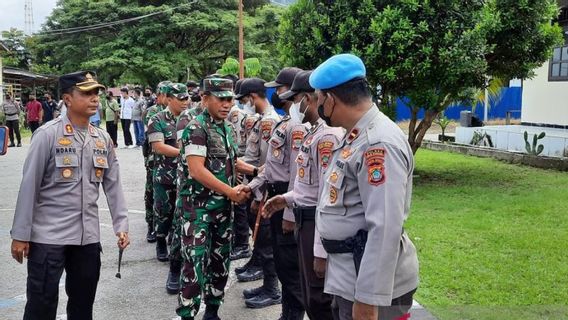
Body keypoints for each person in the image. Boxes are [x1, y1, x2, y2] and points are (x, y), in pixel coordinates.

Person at [9, 71, 130, 320]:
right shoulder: (47, 135)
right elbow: (29, 186)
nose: (95, 98)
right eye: (86, 93)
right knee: (40, 306)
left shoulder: (102, 138)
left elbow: (113, 185)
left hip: (87, 239)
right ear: (67, 99)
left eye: (96, 92)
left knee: (83, 306)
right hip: (48, 238)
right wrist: (21, 235)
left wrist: (121, 225)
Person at [310, 54, 419, 320]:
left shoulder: (377, 144)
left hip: (370, 288)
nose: (317, 105)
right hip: (349, 274)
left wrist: (368, 299)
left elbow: (384, 227)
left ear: (331, 100)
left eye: (318, 98)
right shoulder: (355, 135)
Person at [264, 70, 344, 319]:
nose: (292, 104)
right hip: (304, 217)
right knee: (310, 293)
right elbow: (306, 184)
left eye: (296, 98)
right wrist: (287, 200)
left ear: (309, 99)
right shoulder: (312, 133)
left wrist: (320, 250)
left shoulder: (327, 137)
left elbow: (326, 196)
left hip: (315, 222)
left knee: (320, 298)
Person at [176, 77, 257, 320]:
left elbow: (232, 161)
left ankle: (212, 311)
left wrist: (255, 172)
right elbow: (196, 170)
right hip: (198, 210)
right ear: (204, 98)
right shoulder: (195, 128)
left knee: (220, 262)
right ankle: (187, 315)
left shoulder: (226, 127)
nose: (226, 104)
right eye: (220, 98)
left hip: (222, 209)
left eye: (230, 99)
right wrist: (231, 192)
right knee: (194, 265)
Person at [244, 67, 308, 317]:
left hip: (287, 203)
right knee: (283, 264)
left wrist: (290, 216)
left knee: (291, 271)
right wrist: (253, 189)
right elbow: (270, 167)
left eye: (280, 89)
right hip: (275, 196)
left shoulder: (298, 128)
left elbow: (296, 175)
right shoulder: (287, 123)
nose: (277, 93)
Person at [236, 77, 283, 308]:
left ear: (252, 97)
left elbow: (268, 164)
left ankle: (273, 289)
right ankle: (267, 285)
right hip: (256, 187)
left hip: (263, 190)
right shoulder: (262, 121)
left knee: (266, 244)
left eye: (244, 100)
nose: (244, 105)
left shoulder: (270, 122)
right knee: (262, 242)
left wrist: (257, 195)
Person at [147, 83, 188, 262]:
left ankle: (178, 243)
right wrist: (187, 154)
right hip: (165, 174)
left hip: (186, 176)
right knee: (163, 211)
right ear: (169, 99)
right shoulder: (157, 119)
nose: (185, 102)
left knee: (183, 212)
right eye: (181, 99)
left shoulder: (192, 118)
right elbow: (158, 147)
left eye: (187, 98)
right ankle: (161, 240)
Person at [142, 81, 171, 243]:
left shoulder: (176, 110)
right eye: (165, 95)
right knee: (151, 192)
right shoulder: (152, 112)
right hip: (154, 160)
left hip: (170, 161)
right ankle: (151, 225)